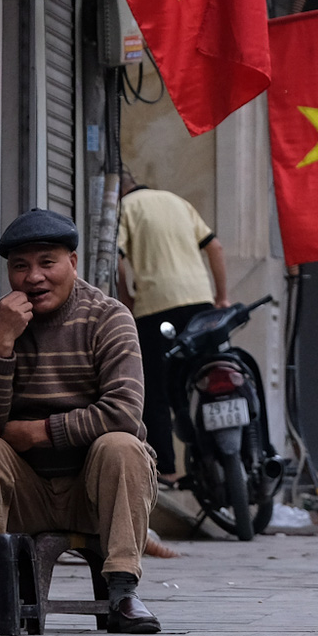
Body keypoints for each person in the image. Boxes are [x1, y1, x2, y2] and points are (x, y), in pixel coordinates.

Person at [0, 208, 161, 633]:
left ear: (73, 262)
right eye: (20, 267)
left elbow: (124, 410)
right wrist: (2, 342)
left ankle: (123, 591)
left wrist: (41, 431)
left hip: (95, 494)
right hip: (24, 495)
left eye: (48, 263)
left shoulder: (109, 317)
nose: (34, 278)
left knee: (122, 445)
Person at [116, 173, 229, 486]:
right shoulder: (178, 202)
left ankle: (166, 468)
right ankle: (221, 459)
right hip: (201, 306)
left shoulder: (124, 208)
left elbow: (116, 258)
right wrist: (221, 297)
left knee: (156, 388)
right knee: (207, 379)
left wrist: (126, 298)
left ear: (120, 190)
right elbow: (215, 247)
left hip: (155, 308)